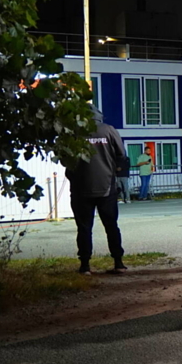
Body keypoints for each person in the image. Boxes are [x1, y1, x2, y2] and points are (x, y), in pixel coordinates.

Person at [65, 106, 126, 274]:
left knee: (84, 228)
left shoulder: (74, 132)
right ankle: (118, 263)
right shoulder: (109, 130)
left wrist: (73, 176)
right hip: (106, 187)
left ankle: (85, 265)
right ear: (99, 116)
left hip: (80, 189)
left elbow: (65, 158)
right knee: (111, 226)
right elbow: (121, 155)